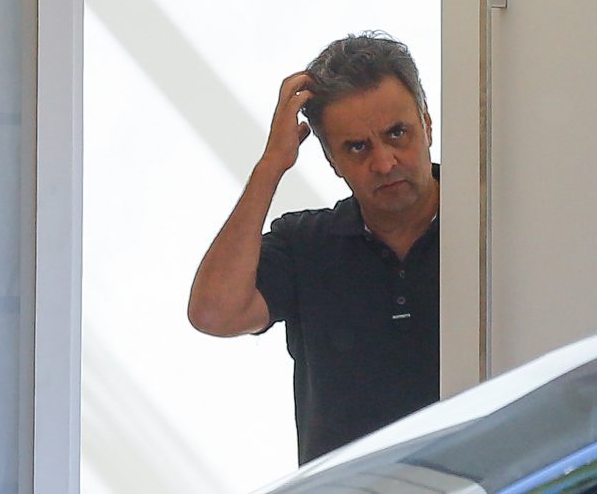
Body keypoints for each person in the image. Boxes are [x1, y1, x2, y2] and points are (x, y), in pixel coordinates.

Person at [188, 32, 440, 464]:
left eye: (398, 133)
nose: (384, 162)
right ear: (331, 161)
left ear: (427, 125)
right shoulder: (306, 244)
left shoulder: (494, 225)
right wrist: (271, 165)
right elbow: (215, 313)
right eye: (357, 147)